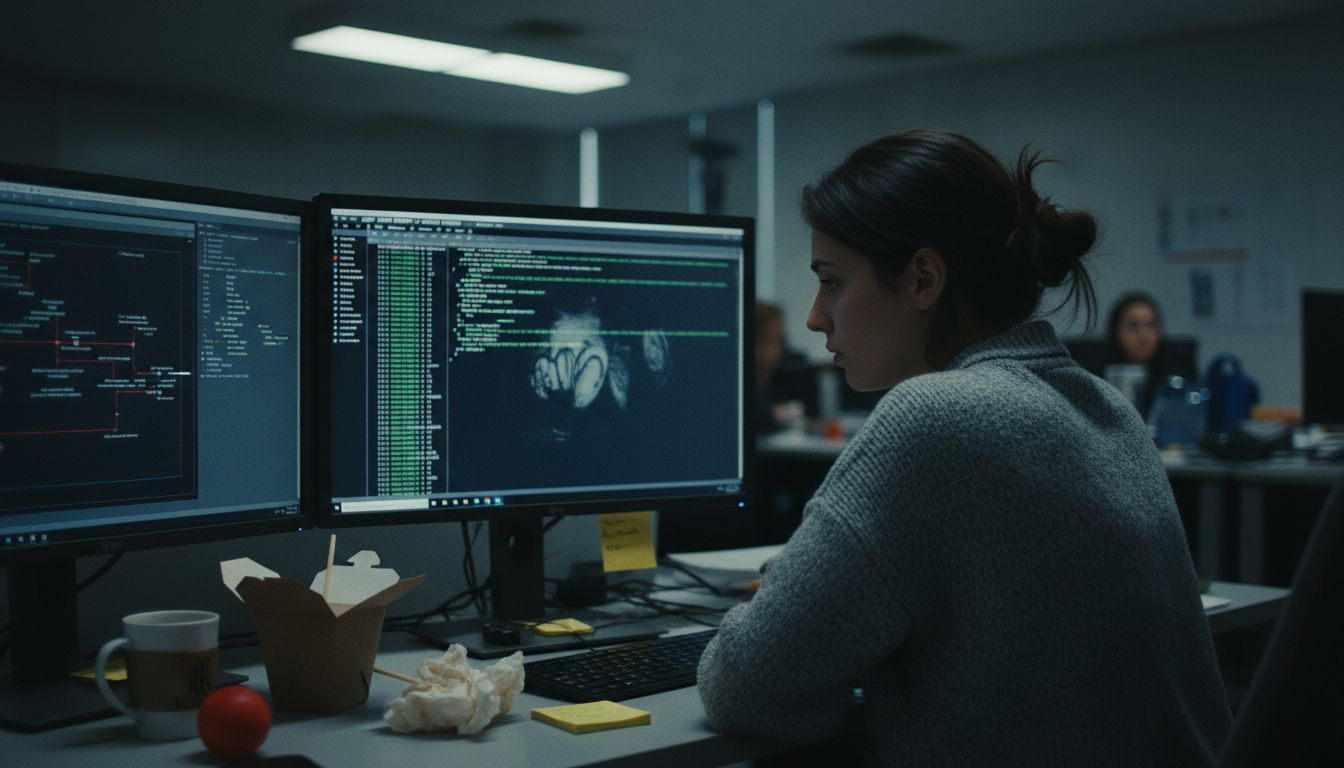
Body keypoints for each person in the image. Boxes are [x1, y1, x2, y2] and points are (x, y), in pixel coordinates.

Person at [697, 129, 1230, 765]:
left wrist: (780, 593)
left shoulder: (931, 417)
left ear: (923, 280)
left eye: (832, 282)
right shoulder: (1106, 405)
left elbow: (745, 688)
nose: (815, 317)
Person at [1104, 291, 1197, 417]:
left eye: (1151, 326)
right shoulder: (1098, 376)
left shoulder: (1177, 376)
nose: (1144, 337)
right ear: (1116, 331)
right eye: (1133, 326)